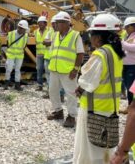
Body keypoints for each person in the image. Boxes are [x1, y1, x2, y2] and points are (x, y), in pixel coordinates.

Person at [73, 14, 125, 164]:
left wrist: (79, 88)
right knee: (105, 147)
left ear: (99, 37)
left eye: (92, 34)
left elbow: (87, 81)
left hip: (93, 109)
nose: (91, 38)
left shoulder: (100, 54)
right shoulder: (117, 52)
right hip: (110, 107)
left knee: (90, 149)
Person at [47, 11, 84, 128]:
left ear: (66, 23)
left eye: (58, 23)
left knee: (71, 94)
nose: (55, 25)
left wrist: (75, 69)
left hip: (68, 71)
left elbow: (80, 54)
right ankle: (58, 111)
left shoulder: (75, 35)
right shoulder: (55, 35)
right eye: (56, 23)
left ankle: (72, 116)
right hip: (54, 69)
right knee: (52, 91)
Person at [4, 20, 29, 91]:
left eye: (23, 29)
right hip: (11, 54)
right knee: (9, 69)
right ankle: (6, 83)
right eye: (20, 28)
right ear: (18, 27)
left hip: (19, 55)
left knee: (18, 70)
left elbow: (25, 45)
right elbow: (7, 44)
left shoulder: (26, 36)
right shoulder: (11, 34)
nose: (21, 30)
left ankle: (17, 84)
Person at [119, 16, 135, 114]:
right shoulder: (128, 36)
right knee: (128, 87)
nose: (126, 29)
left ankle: (131, 108)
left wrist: (121, 43)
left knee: (131, 88)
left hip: (132, 66)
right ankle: (130, 107)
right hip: (126, 66)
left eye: (128, 27)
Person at [34, 16, 49, 91]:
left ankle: (49, 87)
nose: (39, 24)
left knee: (47, 71)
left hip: (47, 54)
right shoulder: (36, 31)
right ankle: (40, 85)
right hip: (39, 54)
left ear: (45, 23)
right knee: (39, 70)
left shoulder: (49, 30)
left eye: (41, 23)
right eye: (38, 23)